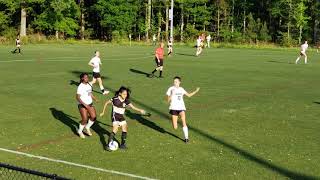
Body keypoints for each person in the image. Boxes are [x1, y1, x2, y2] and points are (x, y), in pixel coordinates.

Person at [100, 86, 146, 151]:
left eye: (126, 94)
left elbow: (133, 107)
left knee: (125, 129)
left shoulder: (126, 101)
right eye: (124, 94)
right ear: (120, 93)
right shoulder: (115, 99)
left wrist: (140, 110)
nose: (125, 95)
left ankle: (122, 145)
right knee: (115, 130)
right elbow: (106, 103)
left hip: (121, 116)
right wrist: (103, 112)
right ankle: (107, 145)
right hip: (115, 116)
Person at [166, 76, 200, 143]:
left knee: (184, 121)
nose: (174, 83)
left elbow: (189, 95)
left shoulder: (181, 89)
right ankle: (175, 118)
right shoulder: (170, 89)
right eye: (174, 81)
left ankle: (186, 138)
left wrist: (196, 91)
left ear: (179, 82)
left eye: (176, 81)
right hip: (173, 108)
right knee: (175, 127)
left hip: (181, 108)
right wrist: (172, 94)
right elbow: (167, 100)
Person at [76, 73, 98, 139]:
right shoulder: (80, 86)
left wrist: (95, 98)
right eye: (85, 78)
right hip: (82, 105)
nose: (87, 79)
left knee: (93, 117)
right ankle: (79, 131)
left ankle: (87, 127)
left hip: (90, 103)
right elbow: (77, 97)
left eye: (87, 77)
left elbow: (90, 93)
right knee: (85, 119)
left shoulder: (89, 84)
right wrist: (85, 105)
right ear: (82, 78)